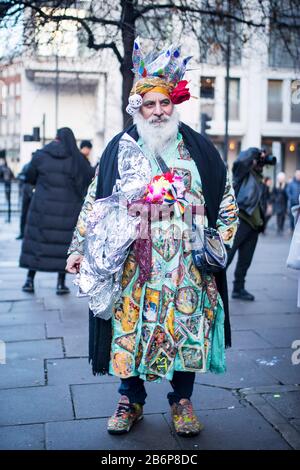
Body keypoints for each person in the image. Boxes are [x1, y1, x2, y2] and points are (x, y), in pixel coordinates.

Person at [66, 38, 239, 437]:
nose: (158, 111)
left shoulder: (200, 151)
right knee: (131, 332)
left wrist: (218, 244)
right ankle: (130, 400)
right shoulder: (118, 149)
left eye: (164, 103)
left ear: (173, 105)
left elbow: (226, 203)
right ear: (138, 108)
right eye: (150, 104)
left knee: (184, 329)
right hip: (133, 268)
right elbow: (96, 201)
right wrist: (78, 248)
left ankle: (181, 401)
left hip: (186, 268)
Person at [20, 127, 94, 295]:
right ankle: (61, 284)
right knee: (63, 247)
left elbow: (29, 177)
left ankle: (29, 280)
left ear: (56, 138)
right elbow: (89, 178)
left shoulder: (41, 155)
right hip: (68, 211)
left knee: (37, 245)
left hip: (42, 209)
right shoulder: (77, 159)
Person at [226, 148, 271, 301]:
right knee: (227, 257)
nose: (261, 163)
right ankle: (214, 287)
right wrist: (257, 152)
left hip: (254, 225)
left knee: (245, 260)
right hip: (241, 221)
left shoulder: (260, 178)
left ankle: (238, 289)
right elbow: (239, 161)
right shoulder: (242, 174)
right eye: (259, 160)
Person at [16, 162, 34, 240]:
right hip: (26, 191)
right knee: (24, 214)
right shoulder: (27, 166)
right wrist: (25, 178)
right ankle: (22, 233)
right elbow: (19, 175)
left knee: (33, 214)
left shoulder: (38, 165)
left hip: (34, 193)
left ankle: (29, 234)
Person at [0, 153, 14, 223]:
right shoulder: (5, 168)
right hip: (6, 184)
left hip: (7, 184)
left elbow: (12, 175)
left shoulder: (5, 168)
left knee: (7, 200)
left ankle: (8, 217)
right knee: (7, 200)